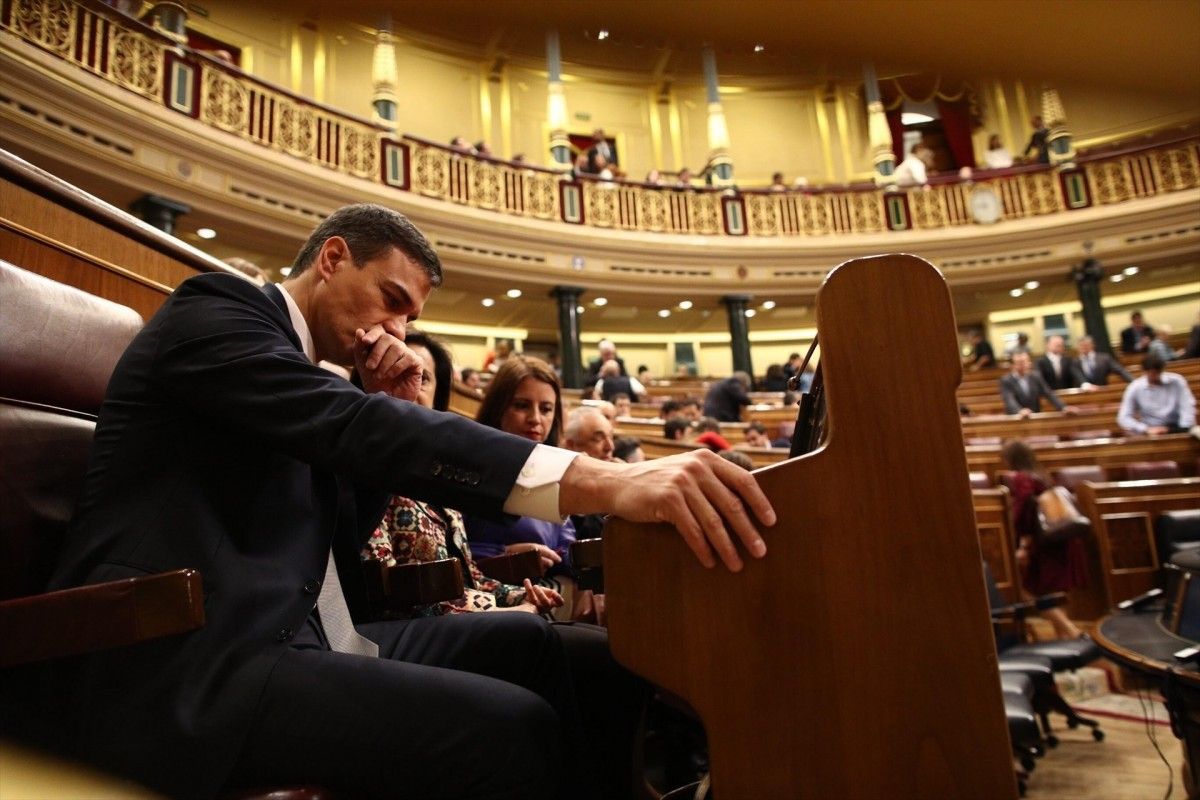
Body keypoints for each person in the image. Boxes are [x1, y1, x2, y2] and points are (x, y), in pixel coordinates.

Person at [40, 203, 773, 800]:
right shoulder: (219, 312)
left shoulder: (318, 380)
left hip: (306, 633)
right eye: (390, 302)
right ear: (331, 259)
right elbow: (356, 427)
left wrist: (379, 418)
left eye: (408, 321)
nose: (394, 332)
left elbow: (342, 531)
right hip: (191, 660)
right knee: (510, 727)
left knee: (555, 651)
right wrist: (607, 479)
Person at [362, 330, 562, 617]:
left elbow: (473, 579)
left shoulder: (441, 477)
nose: (409, 385)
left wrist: (523, 596)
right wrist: (500, 612)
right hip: (410, 630)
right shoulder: (365, 469)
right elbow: (388, 589)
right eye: (398, 370)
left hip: (466, 618)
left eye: (423, 377)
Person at [999, 440, 1086, 639]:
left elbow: (1025, 511)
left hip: (1042, 543)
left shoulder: (1022, 479)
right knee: (1056, 591)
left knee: (1029, 591)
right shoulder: (1041, 474)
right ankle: (1064, 637)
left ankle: (1071, 631)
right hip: (1060, 538)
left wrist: (1023, 544)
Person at [1117, 354, 1197, 435]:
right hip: (1149, 430)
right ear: (1144, 371)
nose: (1154, 377)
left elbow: (1187, 408)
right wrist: (1145, 429)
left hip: (1176, 427)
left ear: (1162, 370)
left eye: (1157, 373)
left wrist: (1183, 431)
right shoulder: (1135, 387)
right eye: (1151, 374)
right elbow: (1123, 417)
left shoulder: (1177, 381)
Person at [1000, 352, 1075, 417]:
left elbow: (1048, 393)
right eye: (1022, 363)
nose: (1027, 365)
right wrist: (1019, 411)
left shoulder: (1036, 376)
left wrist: (1063, 407)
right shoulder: (1007, 380)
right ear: (1014, 365)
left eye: (1027, 361)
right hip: (1016, 418)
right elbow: (1009, 400)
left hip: (1035, 416)